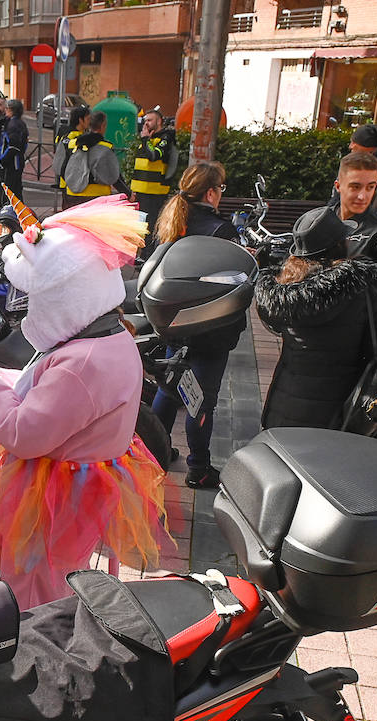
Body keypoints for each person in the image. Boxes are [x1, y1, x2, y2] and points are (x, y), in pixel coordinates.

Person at [0, 193, 167, 609]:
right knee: (61, 570)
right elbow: (60, 400)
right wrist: (8, 381)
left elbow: (25, 433)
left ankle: (31, 644)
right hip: (88, 478)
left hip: (56, 490)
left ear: (67, 294)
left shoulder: (82, 361)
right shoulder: (111, 337)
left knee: (35, 577)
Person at [150, 162, 242, 489]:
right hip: (210, 329)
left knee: (168, 388)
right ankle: (198, 467)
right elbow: (234, 280)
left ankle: (152, 455)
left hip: (175, 323)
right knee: (199, 400)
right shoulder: (222, 231)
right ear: (212, 192)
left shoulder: (174, 221)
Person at [255, 207, 377, 430]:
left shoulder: (283, 289)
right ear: (339, 244)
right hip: (338, 408)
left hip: (285, 401)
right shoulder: (358, 288)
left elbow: (271, 321)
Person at [331, 151, 377, 323]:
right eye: (355, 186)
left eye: (370, 187)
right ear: (338, 186)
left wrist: (368, 335)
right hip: (311, 335)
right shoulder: (318, 221)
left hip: (355, 336)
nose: (362, 196)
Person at [58, 110, 126, 203]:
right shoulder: (106, 146)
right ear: (103, 126)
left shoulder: (73, 144)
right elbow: (113, 176)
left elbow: (63, 169)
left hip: (73, 194)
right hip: (98, 197)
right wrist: (128, 193)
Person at [130, 110, 177, 236]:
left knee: (149, 230)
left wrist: (145, 139)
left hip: (154, 194)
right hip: (140, 193)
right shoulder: (148, 140)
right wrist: (133, 190)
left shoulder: (165, 138)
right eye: (145, 121)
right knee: (138, 229)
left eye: (150, 120)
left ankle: (149, 255)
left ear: (159, 121)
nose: (146, 124)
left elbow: (154, 156)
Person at [52, 104, 89, 206]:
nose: (90, 121)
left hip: (65, 181)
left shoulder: (64, 132)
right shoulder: (76, 137)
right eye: (88, 118)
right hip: (72, 183)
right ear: (80, 120)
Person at [0, 98, 28, 204]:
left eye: (7, 108)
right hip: (17, 162)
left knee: (8, 193)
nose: (5, 111)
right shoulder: (20, 123)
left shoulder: (13, 125)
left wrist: (2, 161)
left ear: (11, 110)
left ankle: (8, 216)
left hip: (11, 164)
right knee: (17, 192)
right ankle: (20, 216)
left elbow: (13, 147)